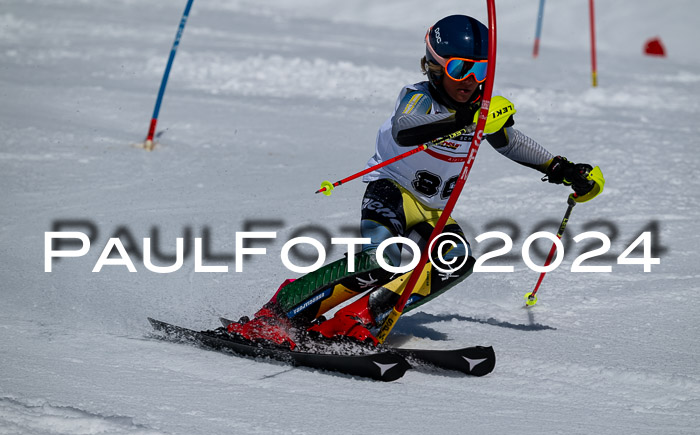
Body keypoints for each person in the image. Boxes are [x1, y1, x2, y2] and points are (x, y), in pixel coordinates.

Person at [226, 14, 604, 349]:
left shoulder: (481, 108)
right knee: (384, 260)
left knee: (454, 261)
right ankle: (280, 313)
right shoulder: (418, 98)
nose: (471, 82)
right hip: (392, 190)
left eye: (482, 71)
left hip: (434, 210)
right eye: (461, 69)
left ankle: (355, 321)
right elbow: (407, 131)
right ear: (435, 66)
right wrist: (469, 118)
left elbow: (509, 142)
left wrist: (561, 168)